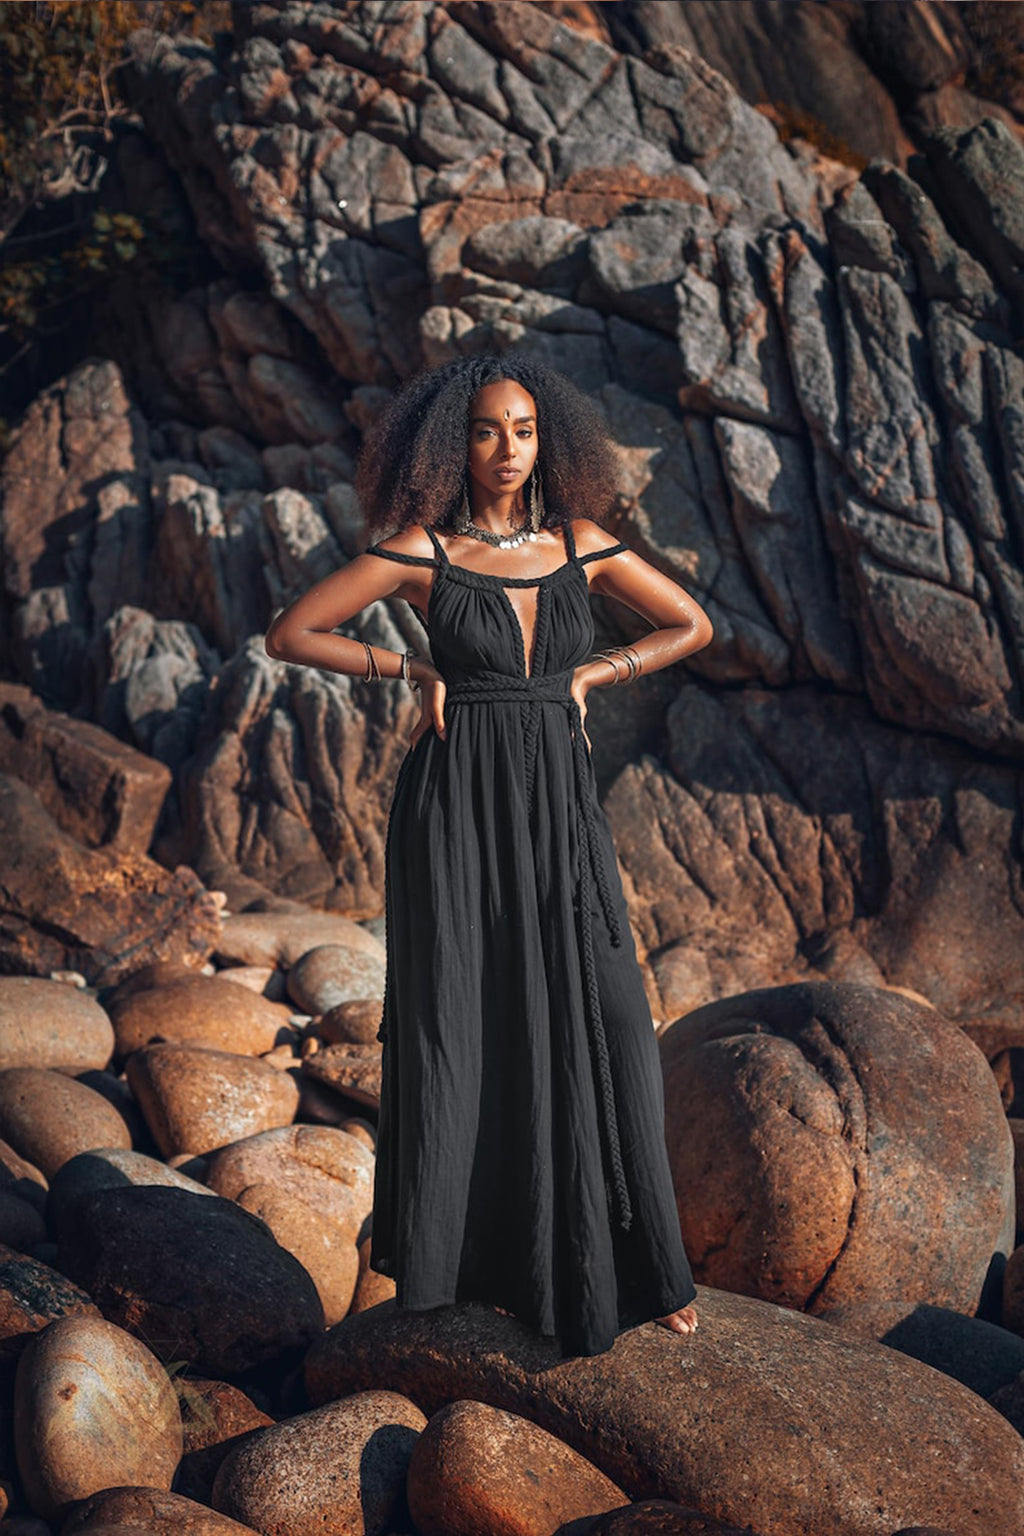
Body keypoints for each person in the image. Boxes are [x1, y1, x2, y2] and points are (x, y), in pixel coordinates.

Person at [265, 352, 714, 1359]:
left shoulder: (582, 544)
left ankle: (638, 1271)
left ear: (545, 439)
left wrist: (599, 670)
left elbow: (692, 622)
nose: (505, 449)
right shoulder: (422, 551)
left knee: (607, 1016)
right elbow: (293, 631)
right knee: (461, 1021)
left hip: (557, 805)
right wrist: (405, 664)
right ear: (450, 444)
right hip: (453, 804)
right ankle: (464, 1269)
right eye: (484, 431)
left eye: (521, 430)